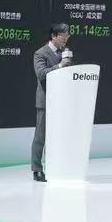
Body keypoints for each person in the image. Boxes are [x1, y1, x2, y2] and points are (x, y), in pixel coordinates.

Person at [31, 24, 72, 182]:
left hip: (62, 101)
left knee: (59, 136)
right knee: (40, 137)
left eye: (67, 36)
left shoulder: (65, 53)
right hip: (46, 101)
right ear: (54, 36)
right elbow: (41, 74)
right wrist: (60, 65)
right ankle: (37, 169)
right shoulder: (40, 53)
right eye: (63, 36)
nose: (66, 39)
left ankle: (56, 167)